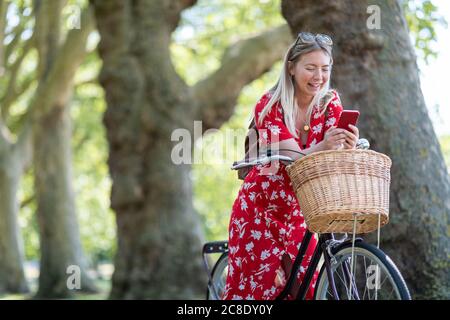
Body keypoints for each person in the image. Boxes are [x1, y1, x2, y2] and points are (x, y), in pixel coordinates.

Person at [222, 32, 359, 300]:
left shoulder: (330, 104)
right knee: (257, 293)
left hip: (301, 211)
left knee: (304, 289)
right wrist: (325, 145)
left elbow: (332, 155)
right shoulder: (270, 105)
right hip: (260, 210)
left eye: (324, 68)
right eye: (310, 68)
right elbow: (295, 159)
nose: (318, 76)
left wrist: (346, 144)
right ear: (292, 67)